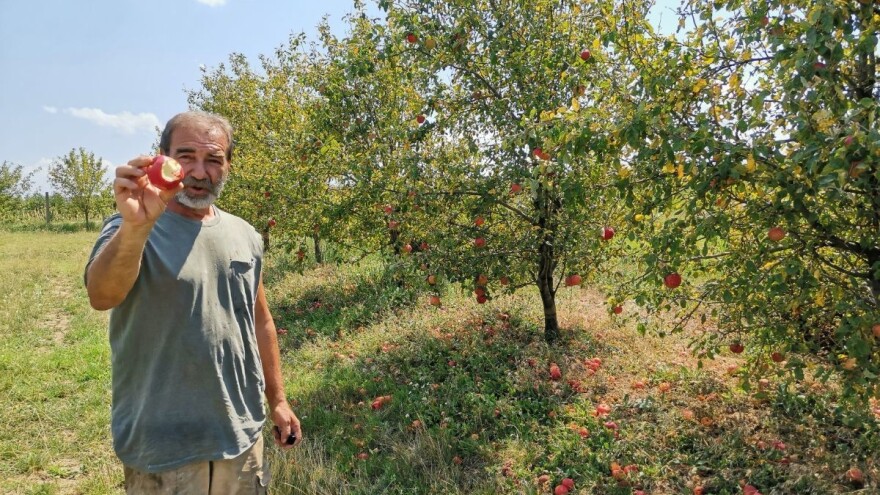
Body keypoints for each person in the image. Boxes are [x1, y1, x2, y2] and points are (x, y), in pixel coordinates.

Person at [84, 110, 301, 494]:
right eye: (186, 157)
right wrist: (136, 227)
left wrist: (278, 401)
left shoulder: (245, 234)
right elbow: (102, 295)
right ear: (162, 157)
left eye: (214, 160)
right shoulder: (130, 226)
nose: (200, 172)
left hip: (241, 433)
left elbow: (260, 321)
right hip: (165, 443)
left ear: (228, 165)